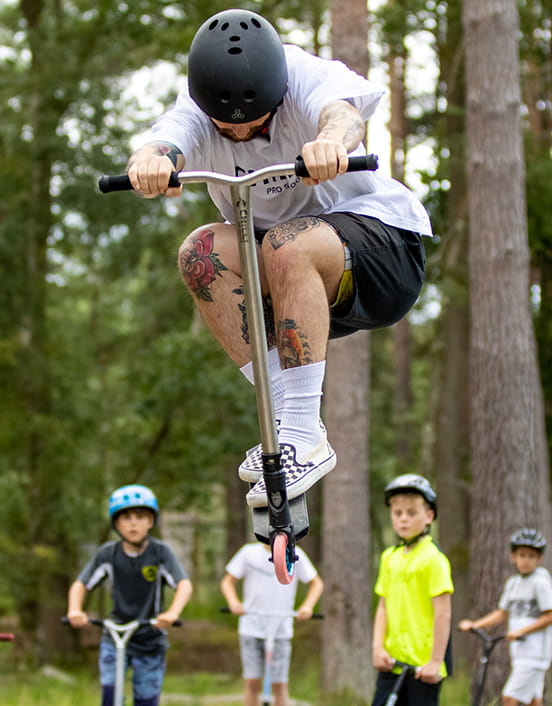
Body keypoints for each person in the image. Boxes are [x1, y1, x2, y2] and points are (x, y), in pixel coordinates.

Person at [124, 9, 434, 508]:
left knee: (285, 243)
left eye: (257, 123)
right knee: (201, 253)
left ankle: (303, 431)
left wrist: (330, 142)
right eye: (227, 128)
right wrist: (150, 162)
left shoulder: (301, 74)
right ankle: (285, 414)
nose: (242, 136)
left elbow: (343, 111)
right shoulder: (196, 106)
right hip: (290, 275)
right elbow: (167, 139)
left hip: (383, 253)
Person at [67, 485, 194, 706]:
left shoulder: (160, 553)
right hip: (114, 635)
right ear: (116, 523)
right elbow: (81, 584)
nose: (133, 523)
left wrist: (171, 614)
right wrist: (75, 610)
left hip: (150, 638)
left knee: (145, 704)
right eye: (126, 517)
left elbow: (183, 585)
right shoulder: (108, 554)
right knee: (110, 698)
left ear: (150, 522)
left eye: (140, 517)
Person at [370, 474, 452, 706]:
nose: (403, 519)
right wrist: (377, 648)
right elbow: (383, 607)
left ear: (429, 516)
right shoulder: (389, 557)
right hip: (392, 664)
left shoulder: (433, 559)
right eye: (397, 513)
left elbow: (443, 613)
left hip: (423, 668)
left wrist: (435, 661)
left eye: (411, 513)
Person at [457, 529, 552, 706]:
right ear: (513, 556)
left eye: (531, 556)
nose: (526, 560)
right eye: (522, 555)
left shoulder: (540, 582)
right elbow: (503, 613)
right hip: (520, 654)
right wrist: (475, 624)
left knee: (509, 698)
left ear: (539, 559)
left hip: (535, 654)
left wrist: (522, 631)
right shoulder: (513, 583)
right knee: (533, 703)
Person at [220, 540, 324, 706]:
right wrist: (234, 602)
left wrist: (307, 606)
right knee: (252, 681)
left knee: (279, 684)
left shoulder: (294, 553)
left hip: (280, 629)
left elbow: (317, 583)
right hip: (251, 627)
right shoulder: (248, 553)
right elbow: (227, 582)